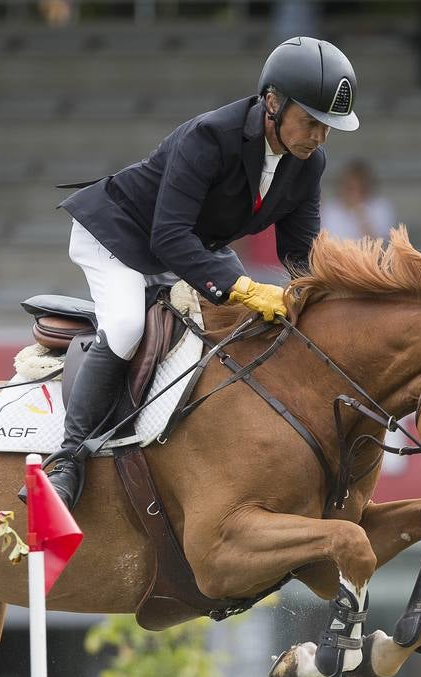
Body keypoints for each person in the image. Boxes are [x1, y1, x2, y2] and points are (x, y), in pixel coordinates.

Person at [49, 36, 360, 509]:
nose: (319, 136)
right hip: (117, 236)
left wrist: (328, 301)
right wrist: (241, 286)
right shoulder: (209, 137)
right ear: (273, 102)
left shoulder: (308, 162)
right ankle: (66, 461)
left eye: (328, 127)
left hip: (185, 251)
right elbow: (168, 237)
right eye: (312, 121)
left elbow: (300, 255)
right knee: (130, 326)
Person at [321, 160, 396, 241]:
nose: (354, 193)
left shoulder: (381, 208)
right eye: (349, 187)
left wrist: (360, 213)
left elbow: (382, 248)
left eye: (359, 187)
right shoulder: (328, 209)